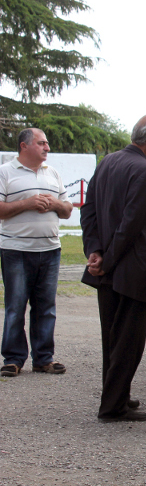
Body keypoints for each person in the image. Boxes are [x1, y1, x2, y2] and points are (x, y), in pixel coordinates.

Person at [80, 114, 146, 422]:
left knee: (113, 337)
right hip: (131, 268)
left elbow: (88, 210)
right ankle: (113, 406)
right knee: (129, 339)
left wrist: (95, 251)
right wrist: (106, 260)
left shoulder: (107, 161)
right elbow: (131, 224)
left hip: (109, 266)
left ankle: (117, 394)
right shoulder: (143, 171)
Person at [0, 128, 73, 378]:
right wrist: (27, 203)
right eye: (42, 143)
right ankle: (13, 359)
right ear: (24, 146)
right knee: (16, 306)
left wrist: (55, 204)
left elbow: (67, 210)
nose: (47, 148)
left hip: (50, 249)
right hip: (16, 250)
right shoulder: (5, 172)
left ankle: (43, 358)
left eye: (47, 143)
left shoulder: (52, 173)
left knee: (46, 307)